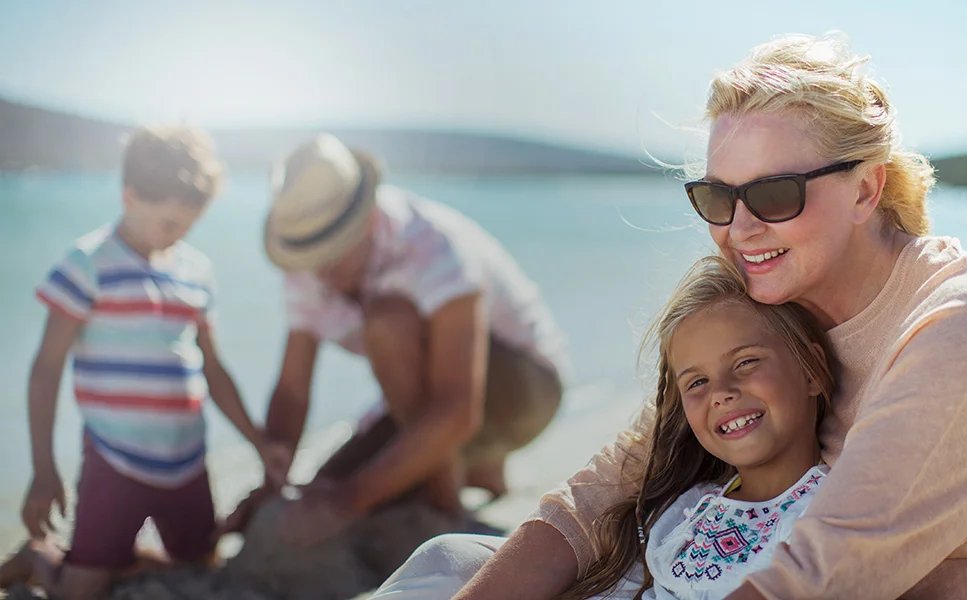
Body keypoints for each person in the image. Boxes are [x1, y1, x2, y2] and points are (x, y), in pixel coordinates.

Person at [376, 33, 967, 599]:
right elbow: (604, 492)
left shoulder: (966, 323)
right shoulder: (772, 300)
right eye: (718, 198)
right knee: (451, 563)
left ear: (865, 189)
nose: (739, 229)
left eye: (776, 194)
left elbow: (819, 578)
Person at [377, 255, 837, 599]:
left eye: (747, 362)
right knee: (444, 556)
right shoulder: (686, 509)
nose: (721, 392)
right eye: (696, 382)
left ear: (812, 371)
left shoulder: (828, 512)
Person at [222, 134, 566, 547]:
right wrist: (273, 482)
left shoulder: (431, 247)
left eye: (332, 251)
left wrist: (350, 502)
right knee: (322, 487)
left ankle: (447, 498)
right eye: (311, 256)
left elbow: (458, 409)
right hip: (427, 399)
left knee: (387, 324)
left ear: (365, 221)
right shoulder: (307, 261)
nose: (320, 271)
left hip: (524, 392)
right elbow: (293, 392)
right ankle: (477, 468)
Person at [0, 125, 289, 600]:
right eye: (170, 224)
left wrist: (258, 442)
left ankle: (116, 557)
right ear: (130, 197)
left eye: (190, 226)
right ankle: (40, 554)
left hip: (187, 460)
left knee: (199, 564)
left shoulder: (196, 272)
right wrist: (43, 466)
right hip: (116, 461)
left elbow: (212, 369)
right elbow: (46, 368)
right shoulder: (88, 263)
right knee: (80, 592)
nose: (178, 236)